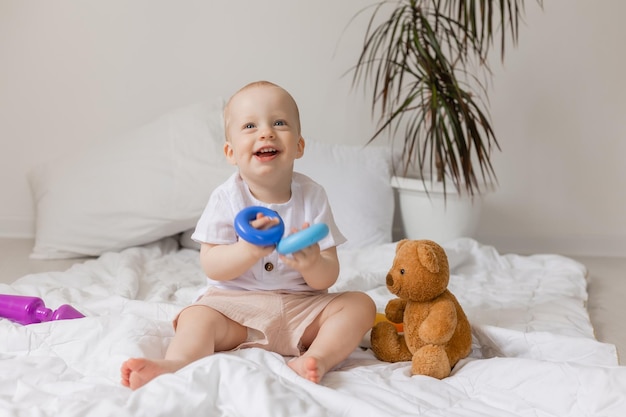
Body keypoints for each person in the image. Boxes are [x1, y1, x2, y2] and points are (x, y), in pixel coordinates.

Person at [120, 80, 376, 390]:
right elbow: (212, 265)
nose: (266, 132)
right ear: (230, 152)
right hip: (237, 310)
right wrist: (248, 251)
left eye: (279, 122)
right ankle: (177, 363)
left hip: (302, 308)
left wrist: (311, 264)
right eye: (250, 125)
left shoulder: (312, 196)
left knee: (360, 306)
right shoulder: (226, 198)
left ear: (299, 145)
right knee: (197, 317)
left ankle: (317, 358)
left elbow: (328, 275)